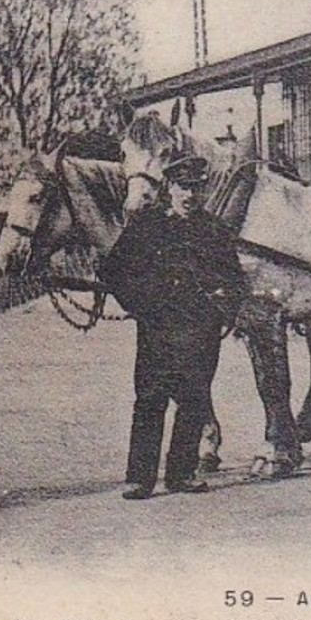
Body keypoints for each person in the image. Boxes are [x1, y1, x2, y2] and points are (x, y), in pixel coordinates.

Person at [100, 155, 246, 499]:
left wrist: (222, 310)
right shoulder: (147, 226)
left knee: (194, 400)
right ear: (169, 187)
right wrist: (142, 304)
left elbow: (236, 280)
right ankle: (140, 479)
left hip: (201, 330)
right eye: (183, 187)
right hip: (158, 328)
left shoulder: (214, 230)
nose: (190, 195)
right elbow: (112, 272)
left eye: (196, 188)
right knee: (150, 400)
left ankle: (182, 475)